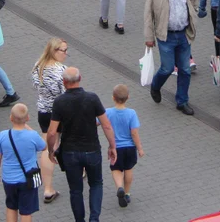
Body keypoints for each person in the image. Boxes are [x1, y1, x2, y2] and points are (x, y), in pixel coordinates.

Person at [47, 67, 117, 222]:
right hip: (92, 149)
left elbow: (52, 132)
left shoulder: (59, 102)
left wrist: (51, 150)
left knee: (76, 190)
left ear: (64, 82)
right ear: (80, 78)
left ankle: (80, 220)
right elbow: (106, 125)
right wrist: (112, 146)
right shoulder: (92, 98)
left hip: (70, 152)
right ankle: (94, 218)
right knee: (96, 184)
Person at [143, 0, 198, 115]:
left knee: (185, 70)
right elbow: (148, 14)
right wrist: (149, 37)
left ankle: (182, 101)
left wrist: (193, 15)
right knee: (167, 68)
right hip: (165, 36)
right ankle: (155, 86)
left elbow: (194, 2)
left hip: (183, 34)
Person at [0, 103, 46, 222]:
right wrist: (28, 127)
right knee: (26, 212)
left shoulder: (3, 135)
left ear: (10, 118)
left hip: (9, 179)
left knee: (11, 207)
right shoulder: (32, 136)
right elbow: (44, 146)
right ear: (27, 118)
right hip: (27, 180)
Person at [30, 38, 67, 203]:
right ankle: (78, 170)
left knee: (47, 145)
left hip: (43, 110)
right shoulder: (61, 71)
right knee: (64, 142)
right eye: (63, 51)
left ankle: (47, 189)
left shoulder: (38, 65)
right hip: (59, 113)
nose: (66, 54)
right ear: (54, 51)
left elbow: (36, 86)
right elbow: (65, 95)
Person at [106, 84, 143, 208]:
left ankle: (119, 187)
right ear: (128, 97)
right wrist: (140, 148)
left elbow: (97, 123)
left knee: (116, 169)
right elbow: (134, 132)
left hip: (115, 147)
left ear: (113, 98)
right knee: (128, 169)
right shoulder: (131, 113)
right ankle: (127, 193)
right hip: (129, 147)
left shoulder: (108, 112)